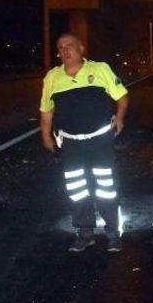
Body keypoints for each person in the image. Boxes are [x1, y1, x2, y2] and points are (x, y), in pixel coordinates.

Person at [40, 33, 129, 252]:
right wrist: (45, 135)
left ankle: (113, 233)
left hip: (99, 140)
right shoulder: (52, 77)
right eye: (60, 47)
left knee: (106, 188)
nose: (64, 50)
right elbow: (46, 110)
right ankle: (84, 233)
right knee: (76, 189)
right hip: (70, 144)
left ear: (81, 48)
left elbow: (122, 96)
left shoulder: (99, 69)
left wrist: (119, 118)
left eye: (69, 45)